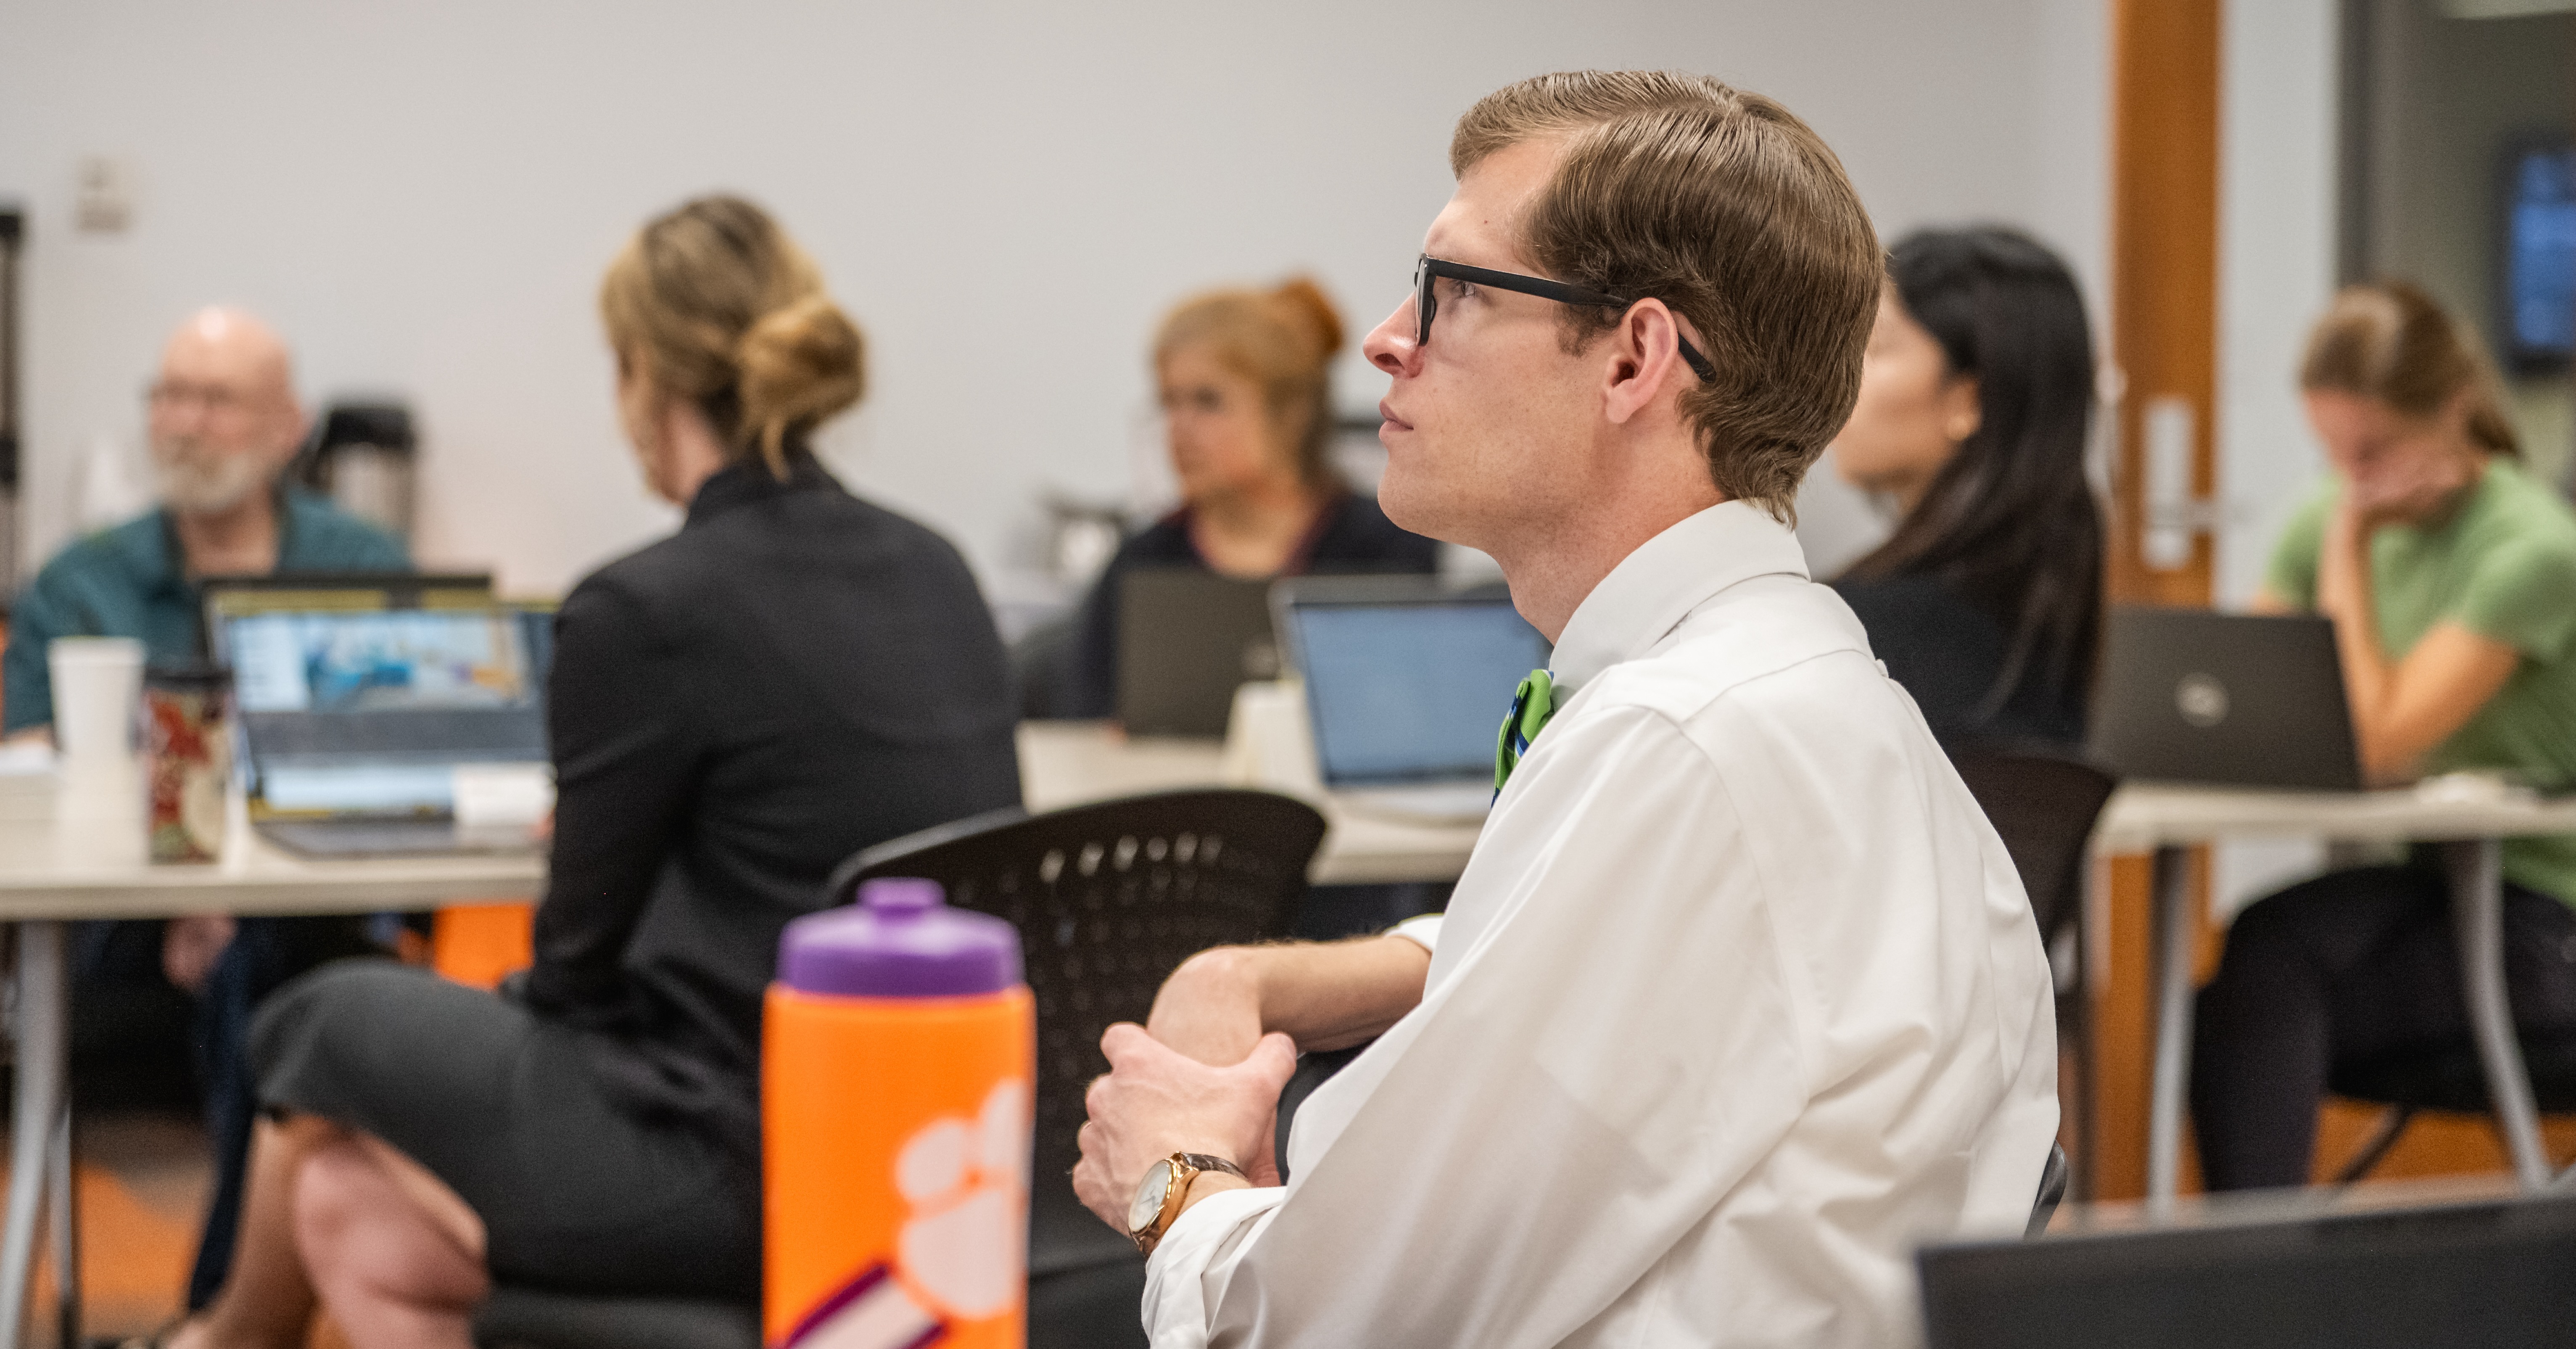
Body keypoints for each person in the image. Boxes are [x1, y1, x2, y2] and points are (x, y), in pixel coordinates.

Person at [1071, 71, 2059, 1347]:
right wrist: (1277, 973)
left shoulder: (1682, 743)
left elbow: (1317, 1320)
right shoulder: (1773, 688)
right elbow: (1612, 953)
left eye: (1452, 291)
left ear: (1634, 359)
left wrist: (1174, 1178)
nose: (1385, 337)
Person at [158, 196, 1024, 1349]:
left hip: (724, 1150)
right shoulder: (937, 567)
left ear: (641, 375)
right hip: (936, 1142)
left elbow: (572, 967)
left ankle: (220, 1339)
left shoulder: (645, 604)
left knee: (316, 1016)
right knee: (345, 1207)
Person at [1, 307, 409, 1310]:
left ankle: (220, 1310)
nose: (184, 422)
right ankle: (231, 1317)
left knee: (267, 962)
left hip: (309, 903)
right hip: (117, 918)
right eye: (168, 396)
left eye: (216, 399)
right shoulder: (83, 580)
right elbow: (19, 757)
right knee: (263, 969)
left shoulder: (361, 567)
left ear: (286, 426)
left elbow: (404, 755)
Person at [2192, 281, 2576, 1192]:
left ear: (2454, 411)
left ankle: (2255, 1283)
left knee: (2262, 984)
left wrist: (2346, 540)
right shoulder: (2338, 512)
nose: (2347, 478)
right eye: (2330, 452)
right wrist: (2349, 521)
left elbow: (2373, 739)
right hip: (2442, 885)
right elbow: (2252, 688)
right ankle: (2251, 1278)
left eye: (2372, 452)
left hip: (2548, 915)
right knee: (2257, 959)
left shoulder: (2529, 549)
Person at [1053, 278, 1438, 719]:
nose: (1178, 428)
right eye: (1168, 402)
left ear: (1291, 414)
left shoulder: (1384, 548)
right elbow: (1082, 717)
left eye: (1207, 401)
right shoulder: (1143, 560)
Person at [1828, 227, 2103, 748]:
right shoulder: (2050, 604)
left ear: (1968, 400)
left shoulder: (1857, 629)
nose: (1836, 372)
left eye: (1876, 347)